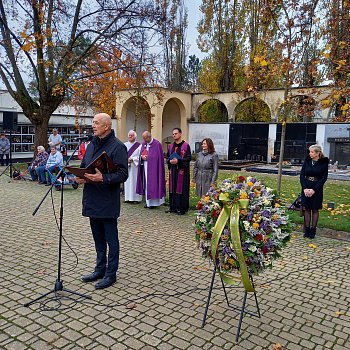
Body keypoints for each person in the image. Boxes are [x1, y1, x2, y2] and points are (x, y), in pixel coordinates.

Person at [77, 113, 128, 290]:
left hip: (107, 200)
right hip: (92, 198)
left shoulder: (118, 147)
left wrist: (103, 178)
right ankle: (100, 269)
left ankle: (110, 274)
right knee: (98, 238)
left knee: (110, 239)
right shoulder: (91, 145)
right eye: (93, 122)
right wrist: (80, 177)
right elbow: (85, 166)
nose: (93, 126)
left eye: (96, 123)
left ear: (107, 126)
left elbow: (123, 174)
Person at [300, 144, 329, 239]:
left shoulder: (324, 163)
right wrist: (304, 188)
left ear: (318, 153)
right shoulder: (307, 161)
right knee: (307, 208)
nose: (310, 153)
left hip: (317, 188)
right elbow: (301, 175)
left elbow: (324, 178)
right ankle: (307, 230)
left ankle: (313, 230)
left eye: (312, 152)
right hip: (306, 187)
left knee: (315, 209)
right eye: (310, 152)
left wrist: (314, 190)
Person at [136, 131, 166, 209]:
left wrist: (149, 158)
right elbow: (141, 154)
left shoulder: (157, 144)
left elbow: (158, 158)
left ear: (149, 137)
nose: (144, 140)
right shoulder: (143, 144)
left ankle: (154, 203)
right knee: (146, 184)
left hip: (154, 169)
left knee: (154, 184)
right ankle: (147, 202)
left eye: (145, 138)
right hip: (145, 168)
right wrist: (142, 158)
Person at [166, 127, 191, 215]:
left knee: (181, 189)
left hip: (182, 172)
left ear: (180, 134)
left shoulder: (186, 146)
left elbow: (188, 158)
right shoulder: (171, 146)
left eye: (176, 133)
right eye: (173, 134)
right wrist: (169, 161)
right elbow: (168, 157)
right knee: (173, 188)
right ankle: (172, 207)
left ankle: (181, 208)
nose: (174, 135)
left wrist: (179, 161)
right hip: (173, 171)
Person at [124, 130, 141, 203]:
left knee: (135, 182)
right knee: (127, 181)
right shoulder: (124, 145)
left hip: (135, 167)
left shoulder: (139, 146)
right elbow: (122, 155)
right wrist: (126, 160)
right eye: (129, 135)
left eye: (132, 135)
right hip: (127, 166)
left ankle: (136, 199)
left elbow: (140, 156)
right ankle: (127, 198)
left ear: (135, 136)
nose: (130, 137)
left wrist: (133, 159)